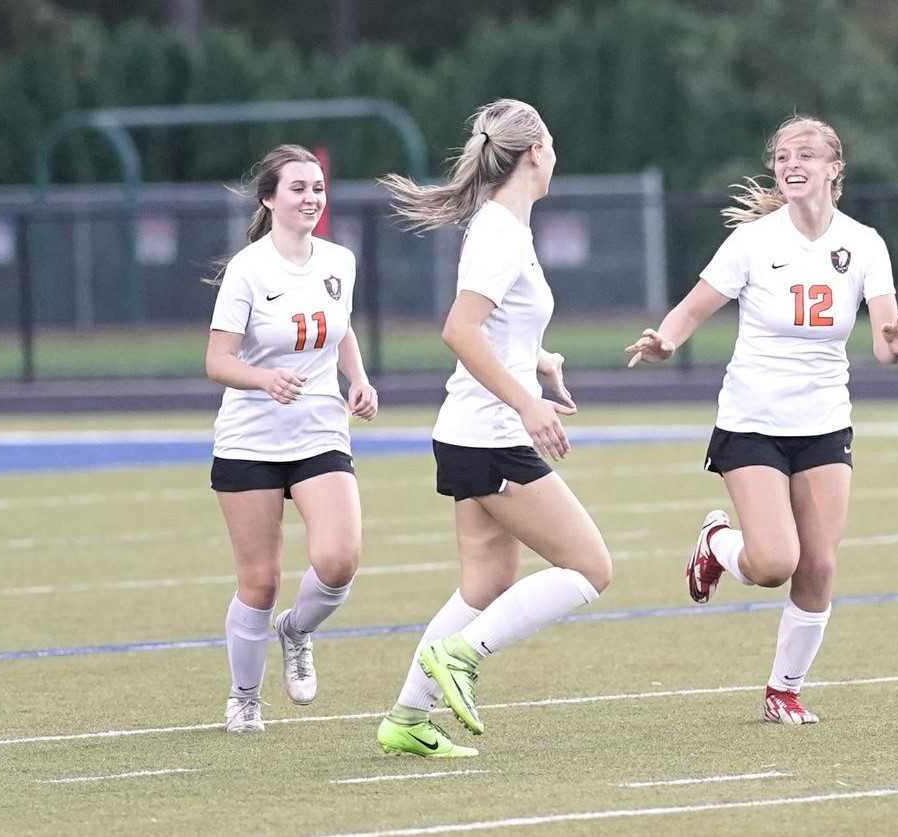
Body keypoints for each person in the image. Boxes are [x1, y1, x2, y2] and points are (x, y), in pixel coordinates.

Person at [626, 115, 898, 725]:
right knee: (773, 563)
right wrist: (666, 343)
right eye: (783, 155)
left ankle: (783, 689)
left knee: (819, 565)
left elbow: (887, 344)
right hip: (753, 420)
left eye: (806, 154)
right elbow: (694, 306)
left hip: (824, 421)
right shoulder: (754, 242)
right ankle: (717, 543)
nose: (792, 163)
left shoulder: (864, 243)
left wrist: (894, 340)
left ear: (834, 168)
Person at [373, 99, 612, 757]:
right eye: (553, 142)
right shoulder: (502, 231)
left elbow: (497, 328)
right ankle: (464, 656)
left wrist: (540, 360)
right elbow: (459, 329)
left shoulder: (504, 226)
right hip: (490, 435)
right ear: (536, 151)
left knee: (484, 586)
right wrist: (528, 403)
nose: (555, 154)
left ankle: (407, 718)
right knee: (590, 565)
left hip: (470, 433)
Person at [204, 144, 378, 733]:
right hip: (250, 442)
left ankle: (297, 631)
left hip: (319, 432)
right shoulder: (248, 270)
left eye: (318, 188)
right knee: (260, 581)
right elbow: (217, 360)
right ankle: (245, 697)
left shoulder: (339, 260)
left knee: (338, 560)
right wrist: (264, 378)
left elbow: (341, 326)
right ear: (270, 198)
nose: (310, 198)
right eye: (298, 188)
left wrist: (359, 379)